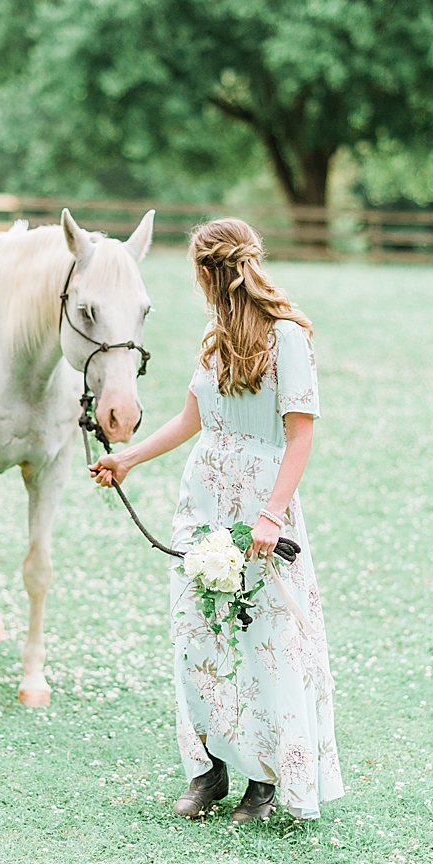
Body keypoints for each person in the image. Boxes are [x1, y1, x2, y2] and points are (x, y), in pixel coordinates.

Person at [92, 219, 342, 823]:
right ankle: (209, 769)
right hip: (203, 499)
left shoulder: (288, 336)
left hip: (261, 503)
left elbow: (300, 437)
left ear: (208, 272)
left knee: (266, 637)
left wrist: (271, 515)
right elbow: (191, 419)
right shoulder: (212, 336)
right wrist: (126, 457)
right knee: (196, 633)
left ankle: (266, 778)